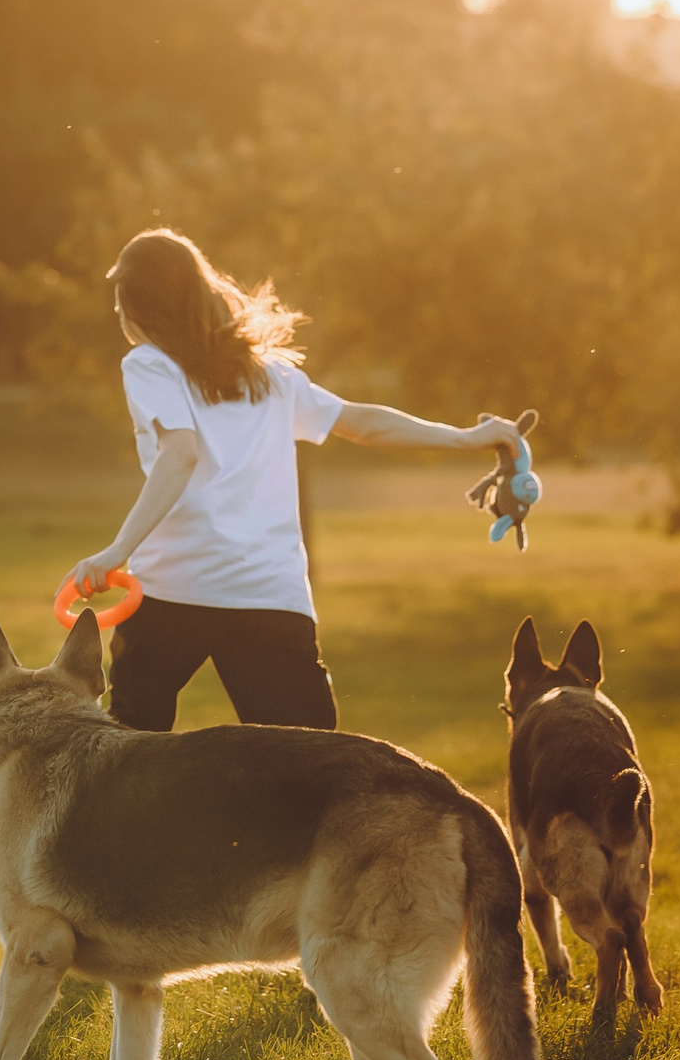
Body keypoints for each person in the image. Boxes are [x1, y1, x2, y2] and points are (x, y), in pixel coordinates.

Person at [67, 228, 526, 733]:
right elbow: (362, 423)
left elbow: (180, 453)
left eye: (121, 299)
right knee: (310, 758)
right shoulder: (270, 375)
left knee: (128, 752)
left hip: (171, 590)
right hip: (268, 593)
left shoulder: (148, 364)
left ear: (142, 304)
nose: (118, 312)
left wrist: (117, 551)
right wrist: (467, 437)